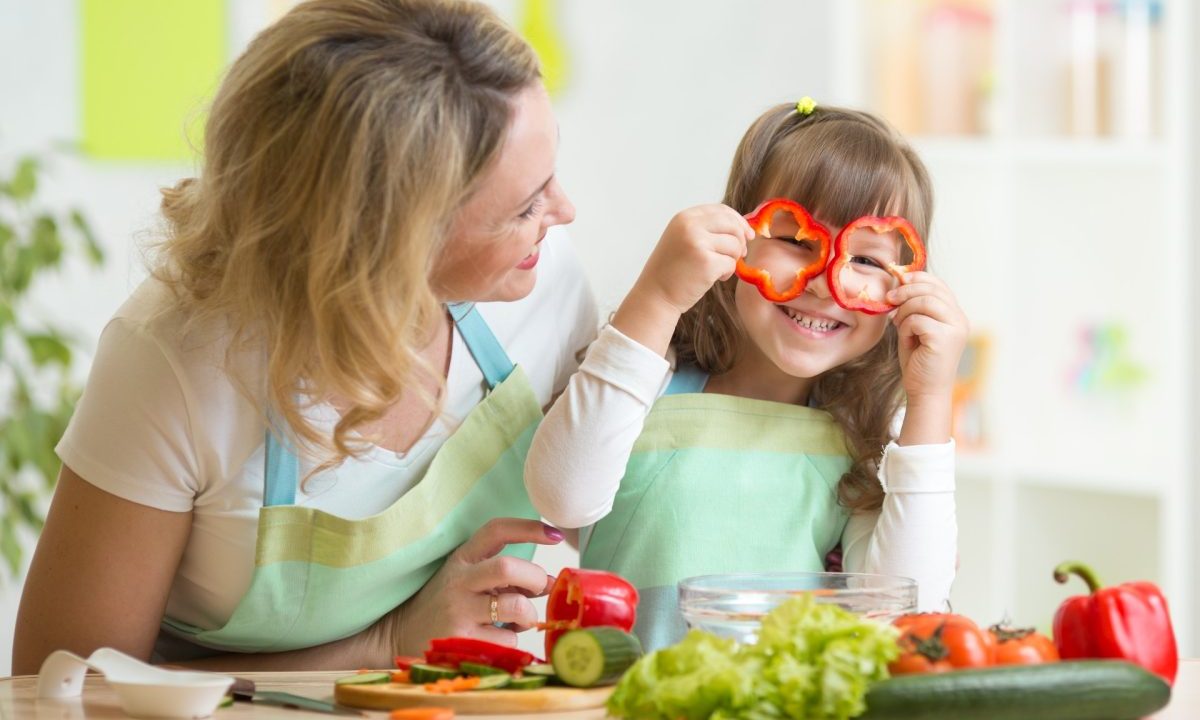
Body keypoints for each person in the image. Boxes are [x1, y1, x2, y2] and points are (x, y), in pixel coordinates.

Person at [13, 0, 597, 674]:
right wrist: (384, 646)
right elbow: (56, 686)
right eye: (524, 207)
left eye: (549, 177)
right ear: (387, 242)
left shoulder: (541, 278)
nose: (563, 213)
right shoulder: (177, 361)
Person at [525, 101, 965, 649]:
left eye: (868, 261)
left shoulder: (862, 440)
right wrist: (657, 296)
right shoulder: (649, 380)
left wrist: (930, 400)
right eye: (798, 242)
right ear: (736, 236)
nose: (826, 283)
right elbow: (561, 499)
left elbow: (911, 612)